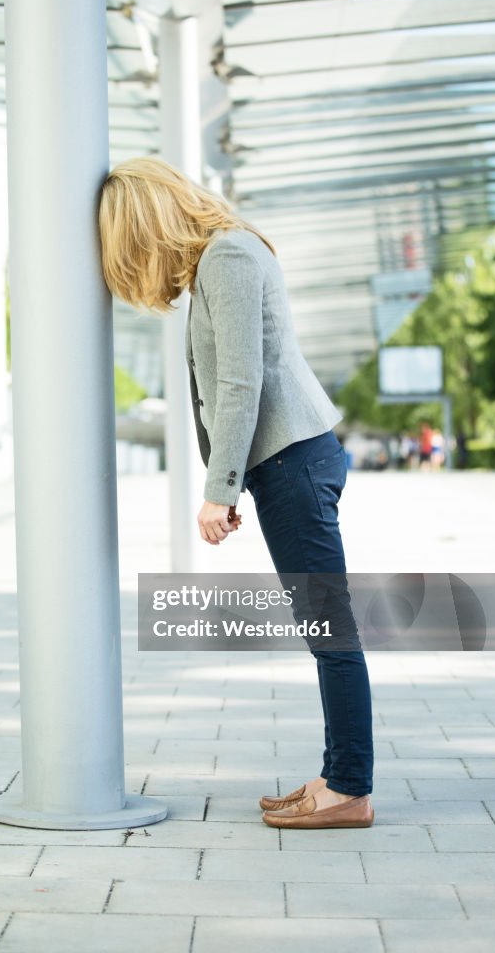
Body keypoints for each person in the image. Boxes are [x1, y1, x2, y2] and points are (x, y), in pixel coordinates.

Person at [98, 155, 374, 830]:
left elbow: (240, 383)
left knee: (329, 631)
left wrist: (218, 491)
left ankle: (350, 790)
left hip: (290, 465)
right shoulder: (227, 254)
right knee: (324, 628)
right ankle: (338, 774)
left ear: (150, 222)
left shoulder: (227, 257)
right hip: (290, 464)